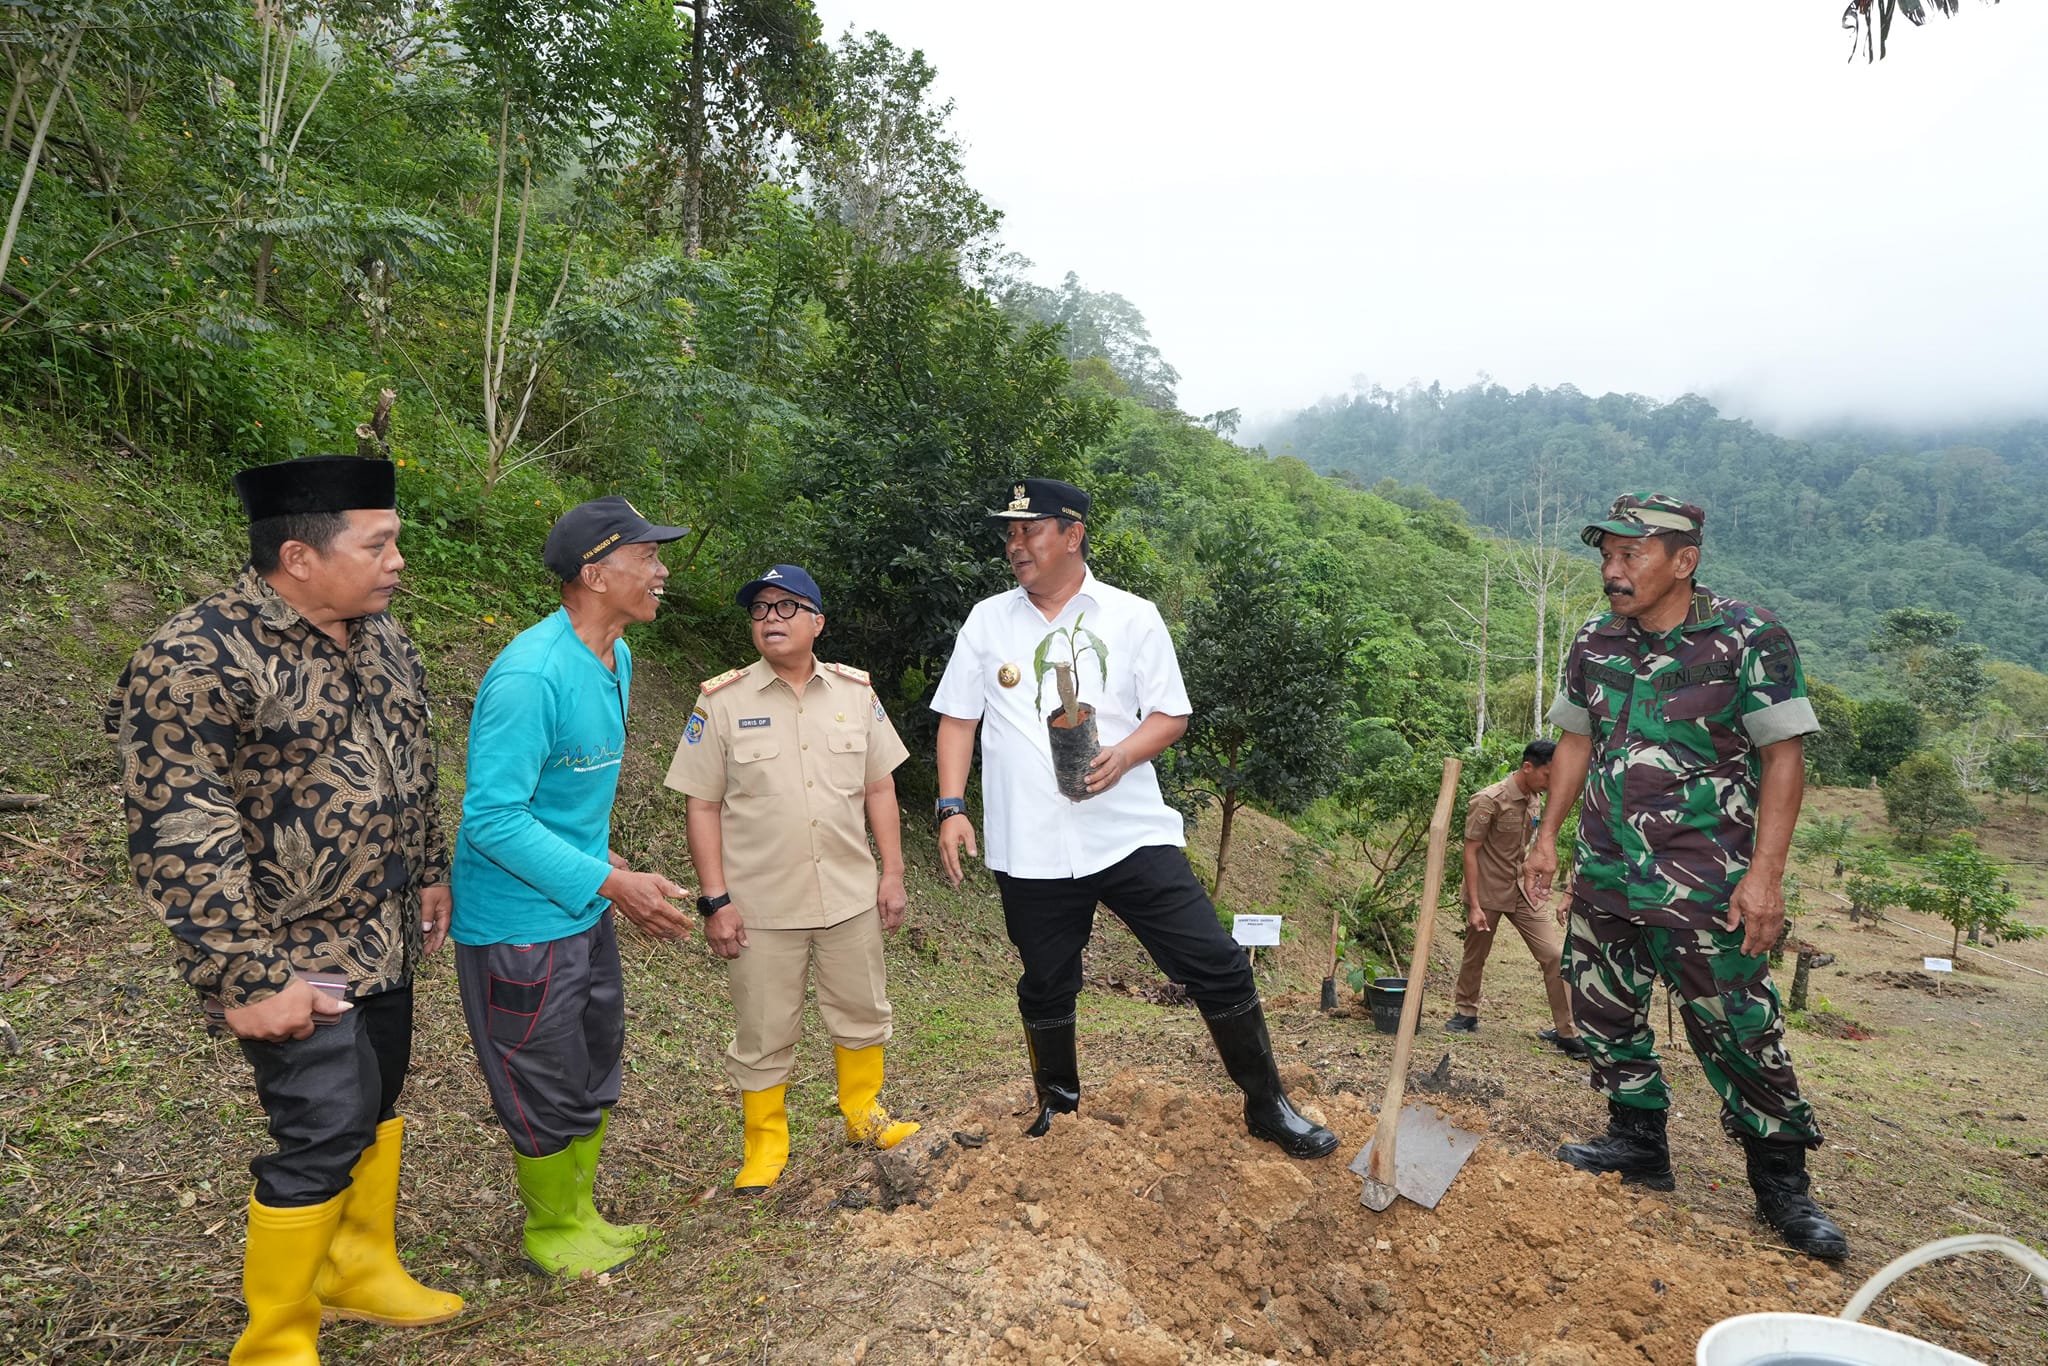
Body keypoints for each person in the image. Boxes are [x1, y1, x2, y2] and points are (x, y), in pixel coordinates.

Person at [112, 454, 463, 1364]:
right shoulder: (196, 655)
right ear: (300, 556)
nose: (398, 563)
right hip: (285, 947)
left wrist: (428, 866)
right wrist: (246, 975)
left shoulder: (382, 636)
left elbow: (410, 757)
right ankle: (275, 1340)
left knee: (379, 1099)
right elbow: (182, 826)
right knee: (323, 1123)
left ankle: (358, 1270)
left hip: (381, 928)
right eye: (379, 545)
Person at [932, 478, 1335, 1159]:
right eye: (1009, 533)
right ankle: (1059, 1110)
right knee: (1046, 979)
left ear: (1073, 535)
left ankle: (1268, 1104)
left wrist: (1122, 755)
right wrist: (950, 806)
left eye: (1030, 531)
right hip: (1029, 845)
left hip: (1127, 833)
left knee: (1216, 964)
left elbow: (1171, 714)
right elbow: (957, 718)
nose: (1015, 545)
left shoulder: (1131, 616)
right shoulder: (987, 621)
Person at [1523, 492, 1848, 1260]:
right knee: (1602, 1007)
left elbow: (1783, 758)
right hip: (1606, 868)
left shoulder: (1747, 638)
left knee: (1738, 1026)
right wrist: (1546, 839)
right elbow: (1573, 742)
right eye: (1606, 555)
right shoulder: (1597, 639)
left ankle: (1781, 1186)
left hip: (1706, 877)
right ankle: (1637, 1141)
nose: (1613, 570)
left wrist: (1764, 878)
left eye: (1630, 554)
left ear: (1684, 560)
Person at [451, 496, 695, 1277]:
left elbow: (558, 802)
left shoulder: (616, 658)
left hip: (581, 907)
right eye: (648, 557)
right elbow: (491, 817)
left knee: (594, 1057)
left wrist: (610, 868)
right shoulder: (530, 676)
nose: (662, 572)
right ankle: (552, 1230)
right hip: (519, 924)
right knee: (541, 1074)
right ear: (596, 572)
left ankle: (582, 1209)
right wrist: (609, 883)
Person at [664, 564, 920, 1193]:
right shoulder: (721, 703)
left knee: (862, 1011)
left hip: (849, 896)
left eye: (786, 608)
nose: (770, 620)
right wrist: (715, 899)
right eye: (759, 611)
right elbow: (700, 805)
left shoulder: (857, 695)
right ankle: (765, 1144)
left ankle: (864, 1114)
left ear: (817, 622)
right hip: (761, 905)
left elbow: (880, 787)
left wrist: (892, 872)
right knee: (763, 1027)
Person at [1446, 739, 1589, 1058]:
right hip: (1487, 890)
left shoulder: (1536, 799)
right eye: (1548, 775)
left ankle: (1567, 1031)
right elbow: (1470, 852)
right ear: (1528, 767)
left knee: (1553, 954)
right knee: (1476, 955)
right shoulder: (1489, 800)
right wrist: (1475, 904)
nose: (1552, 783)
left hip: (1522, 887)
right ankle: (1466, 1012)